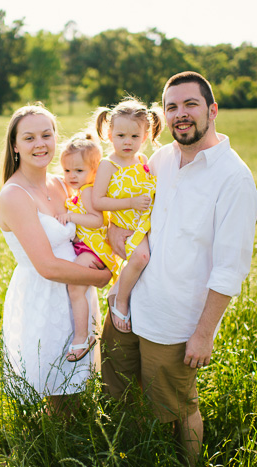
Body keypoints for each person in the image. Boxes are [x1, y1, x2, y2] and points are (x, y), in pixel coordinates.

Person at [101, 72, 257, 466]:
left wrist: (203, 335)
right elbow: (140, 215)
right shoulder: (160, 159)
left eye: (190, 105)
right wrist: (116, 229)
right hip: (129, 306)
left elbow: (230, 269)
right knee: (123, 394)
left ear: (212, 110)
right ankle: (131, 456)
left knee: (179, 406)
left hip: (175, 322)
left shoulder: (234, 178)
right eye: (172, 107)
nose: (180, 114)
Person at [0, 103, 111, 414]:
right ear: (15, 145)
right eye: (30, 137)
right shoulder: (14, 195)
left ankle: (72, 443)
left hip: (76, 293)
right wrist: (102, 278)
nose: (40, 144)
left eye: (47, 135)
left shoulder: (61, 183)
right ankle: (52, 451)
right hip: (44, 296)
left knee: (75, 390)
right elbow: (46, 266)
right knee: (55, 390)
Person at [90, 97, 164, 333]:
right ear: (110, 134)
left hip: (145, 222)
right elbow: (98, 200)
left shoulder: (142, 160)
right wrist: (130, 202)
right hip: (126, 224)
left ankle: (119, 290)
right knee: (141, 258)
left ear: (145, 136)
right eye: (121, 136)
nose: (127, 142)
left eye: (134, 137)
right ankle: (119, 298)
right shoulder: (108, 165)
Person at [54, 132, 121, 362]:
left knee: (75, 288)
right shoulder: (80, 191)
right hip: (88, 248)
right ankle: (85, 334)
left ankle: (82, 337)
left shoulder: (89, 191)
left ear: (94, 172)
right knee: (77, 289)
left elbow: (97, 220)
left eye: (79, 171)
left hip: (95, 251)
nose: (71, 176)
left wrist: (70, 217)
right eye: (67, 171)